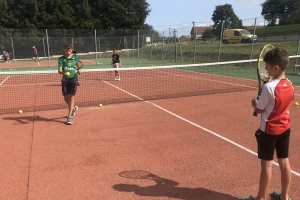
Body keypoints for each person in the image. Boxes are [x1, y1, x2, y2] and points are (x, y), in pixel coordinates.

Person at [239, 48, 293, 200]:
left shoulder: (269, 88)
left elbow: (260, 109)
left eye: (267, 66)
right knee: (284, 162)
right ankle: (285, 196)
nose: (265, 69)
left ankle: (261, 198)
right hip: (285, 128)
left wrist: (254, 103)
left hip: (269, 130)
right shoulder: (289, 83)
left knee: (267, 165)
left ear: (275, 67)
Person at [58, 42, 81, 125]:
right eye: (66, 50)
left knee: (72, 97)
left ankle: (69, 117)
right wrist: (63, 73)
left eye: (69, 50)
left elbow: (78, 66)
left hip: (73, 79)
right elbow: (59, 71)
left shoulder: (75, 58)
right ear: (64, 50)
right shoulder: (61, 59)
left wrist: (79, 71)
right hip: (65, 79)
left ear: (71, 50)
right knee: (65, 98)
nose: (68, 52)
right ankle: (73, 109)